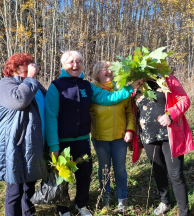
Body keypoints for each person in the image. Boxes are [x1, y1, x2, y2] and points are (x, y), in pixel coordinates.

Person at [44, 51, 142, 216]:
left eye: (78, 61)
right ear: (63, 65)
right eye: (71, 62)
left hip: (82, 140)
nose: (75, 65)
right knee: (62, 176)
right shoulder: (56, 86)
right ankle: (63, 209)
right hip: (62, 141)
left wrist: (131, 88)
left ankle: (81, 205)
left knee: (84, 174)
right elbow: (50, 116)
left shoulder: (87, 86)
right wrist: (53, 145)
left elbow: (109, 98)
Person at [0, 53, 48, 216]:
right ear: (16, 67)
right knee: (14, 191)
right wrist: (30, 78)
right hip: (13, 146)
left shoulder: (32, 84)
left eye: (32, 64)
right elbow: (19, 100)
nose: (32, 66)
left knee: (29, 188)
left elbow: (48, 101)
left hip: (33, 145)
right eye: (28, 64)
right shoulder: (5, 85)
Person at [133, 74, 194, 216]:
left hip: (169, 135)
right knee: (158, 170)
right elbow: (131, 109)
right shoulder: (136, 83)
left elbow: (184, 100)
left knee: (176, 174)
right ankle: (165, 202)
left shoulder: (167, 79)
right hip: (148, 135)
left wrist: (171, 115)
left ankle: (184, 211)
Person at [90, 61, 135, 213]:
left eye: (110, 69)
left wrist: (130, 130)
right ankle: (105, 197)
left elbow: (129, 112)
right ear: (97, 74)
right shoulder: (92, 90)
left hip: (119, 137)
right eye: (104, 69)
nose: (108, 72)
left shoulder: (122, 88)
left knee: (120, 169)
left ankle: (123, 198)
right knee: (104, 169)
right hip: (100, 138)